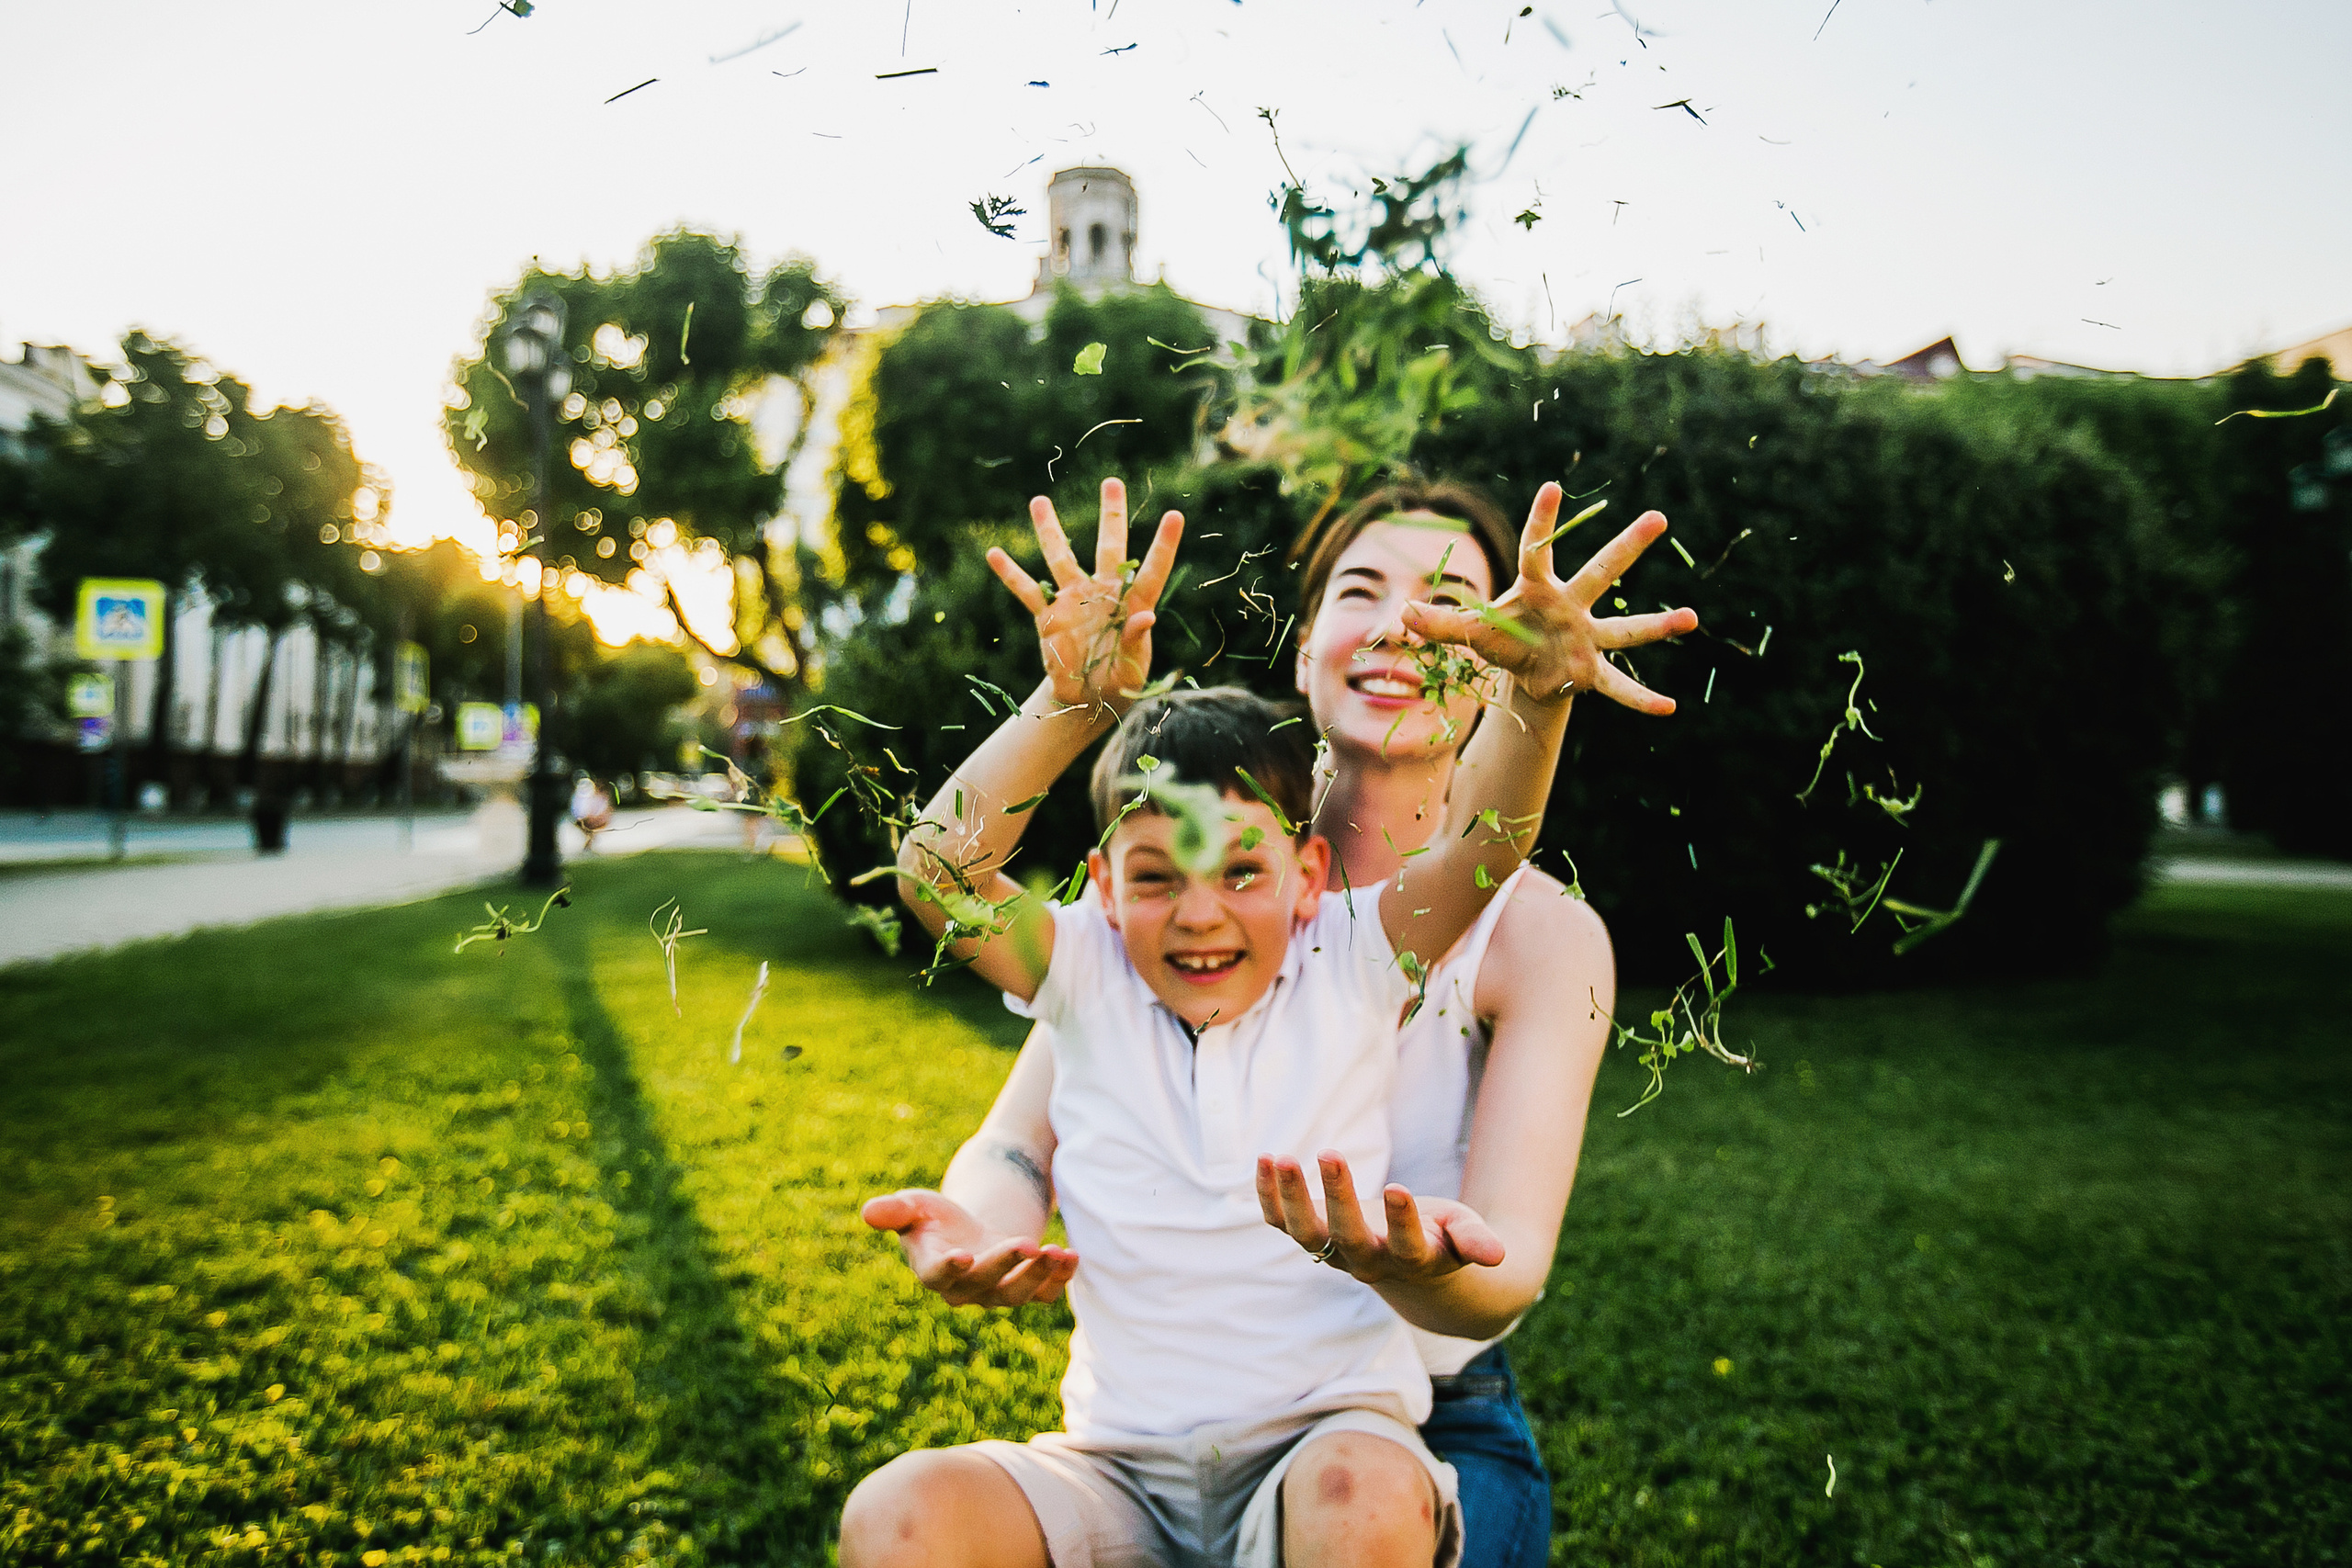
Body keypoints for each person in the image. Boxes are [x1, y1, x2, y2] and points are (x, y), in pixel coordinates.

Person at [850, 479, 1693, 1568]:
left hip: (1400, 1418)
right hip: (1131, 1450)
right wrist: (1070, 702)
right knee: (904, 1515)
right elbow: (1014, 1124)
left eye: (1451, 601)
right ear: (1303, 652)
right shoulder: (1123, 948)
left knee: (1358, 1499)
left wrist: (1541, 693)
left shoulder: (1387, 946)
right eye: (1362, 587)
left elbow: (1486, 846)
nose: (1402, 623)